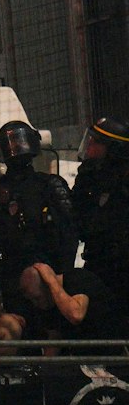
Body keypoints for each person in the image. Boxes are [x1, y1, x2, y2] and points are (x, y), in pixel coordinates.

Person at [0, 120, 77, 333]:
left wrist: (61, 276)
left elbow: (69, 234)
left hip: (45, 270)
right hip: (11, 271)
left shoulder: (49, 186)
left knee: (47, 328)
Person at [72, 114, 129, 295]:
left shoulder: (123, 185)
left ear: (114, 150)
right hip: (96, 264)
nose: (89, 145)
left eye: (96, 142)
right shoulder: (90, 177)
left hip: (121, 270)